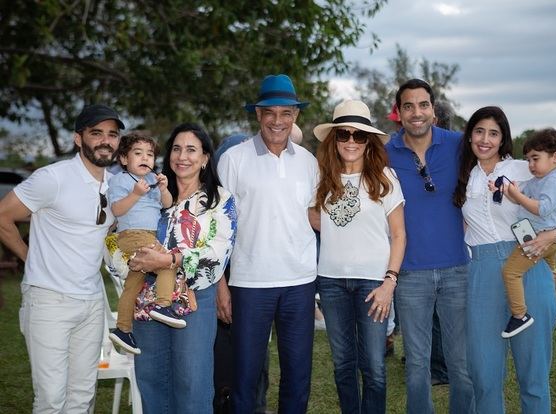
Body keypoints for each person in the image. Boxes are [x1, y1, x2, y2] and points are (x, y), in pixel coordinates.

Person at [0, 104, 124, 412]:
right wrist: (32, 258)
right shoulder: (52, 178)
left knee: (83, 395)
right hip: (49, 300)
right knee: (51, 399)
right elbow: (3, 217)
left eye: (112, 134)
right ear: (78, 139)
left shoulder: (116, 185)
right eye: (96, 133)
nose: (105, 140)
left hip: (93, 300)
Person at [453, 106, 556, 413]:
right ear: (469, 137)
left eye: (493, 133)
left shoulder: (524, 169)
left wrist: (553, 236)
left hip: (528, 265)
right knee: (483, 373)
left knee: (533, 376)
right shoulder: (464, 176)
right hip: (481, 273)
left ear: (503, 138)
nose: (485, 139)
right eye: (479, 131)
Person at [217, 74, 318, 413]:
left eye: (286, 113)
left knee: (298, 375)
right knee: (245, 377)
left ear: (296, 116)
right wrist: (221, 285)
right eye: (270, 112)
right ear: (258, 114)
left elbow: (315, 219)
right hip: (250, 282)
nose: (278, 121)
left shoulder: (309, 162)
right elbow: (218, 229)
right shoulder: (234, 159)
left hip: (299, 282)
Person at [126, 123, 237, 413]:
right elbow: (124, 234)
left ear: (205, 158)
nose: (182, 156)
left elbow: (218, 252)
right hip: (146, 298)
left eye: (191, 149)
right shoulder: (151, 196)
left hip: (194, 300)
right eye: (176, 148)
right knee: (151, 379)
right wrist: (130, 260)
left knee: (192, 382)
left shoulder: (219, 201)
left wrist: (170, 260)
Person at [385, 79, 474, 413]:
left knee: (461, 364)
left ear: (433, 110)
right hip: (409, 274)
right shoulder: (385, 152)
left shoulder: (459, 144)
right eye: (408, 106)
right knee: (417, 365)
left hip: (456, 269)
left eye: (423, 105)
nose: (416, 113)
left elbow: (502, 164)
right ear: (399, 113)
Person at [312, 99, 406, 413]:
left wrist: (389, 282)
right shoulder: (321, 180)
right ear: (334, 139)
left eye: (359, 135)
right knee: (342, 366)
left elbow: (399, 235)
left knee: (375, 367)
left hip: (374, 284)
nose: (351, 141)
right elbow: (312, 220)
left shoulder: (385, 178)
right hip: (331, 283)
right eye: (344, 134)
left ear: (369, 142)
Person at [495, 128, 556, 338]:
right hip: (546, 239)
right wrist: (508, 191)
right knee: (551, 269)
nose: (530, 165)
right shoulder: (539, 179)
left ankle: (520, 315)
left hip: (539, 238)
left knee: (511, 272)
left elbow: (541, 208)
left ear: (555, 157)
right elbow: (519, 195)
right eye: (528, 159)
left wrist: (518, 197)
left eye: (535, 159)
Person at [107, 133, 179, 356]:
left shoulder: (152, 179)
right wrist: (136, 194)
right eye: (138, 153)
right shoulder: (120, 180)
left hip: (148, 235)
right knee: (168, 263)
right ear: (123, 159)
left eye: (149, 154)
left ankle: (122, 329)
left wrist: (165, 189)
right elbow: (117, 210)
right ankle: (163, 304)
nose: (145, 158)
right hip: (134, 234)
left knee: (133, 283)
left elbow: (168, 204)